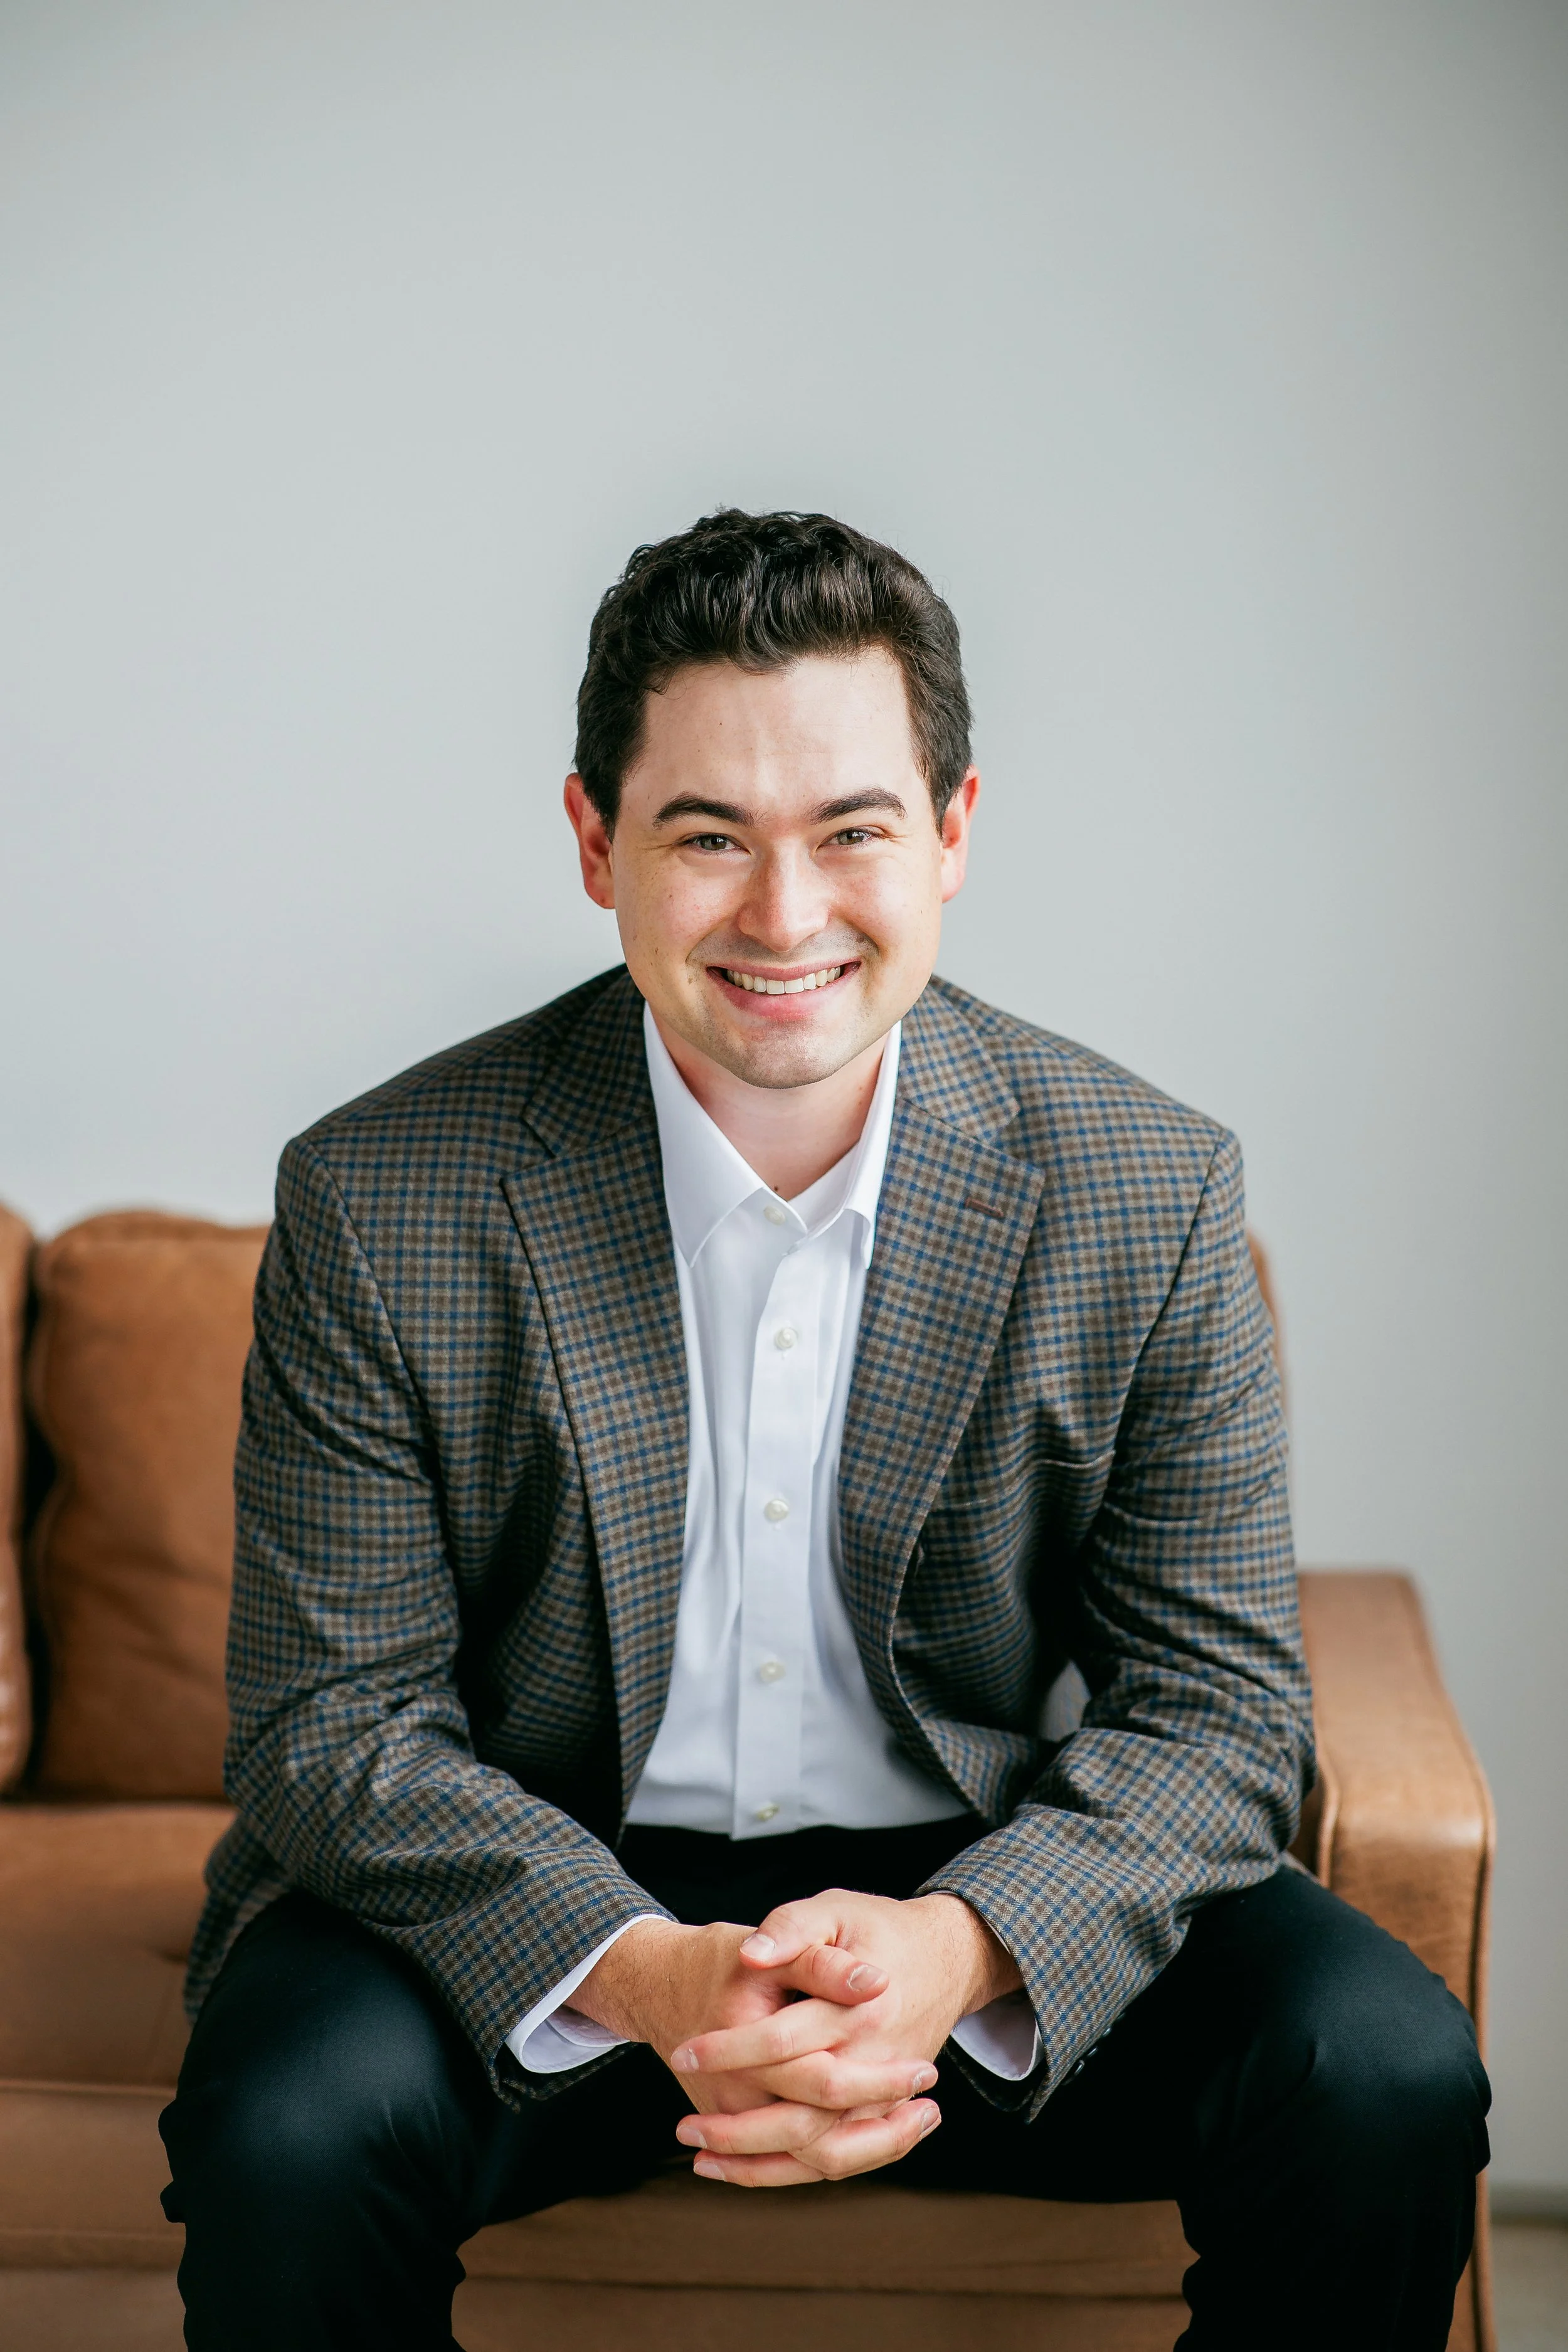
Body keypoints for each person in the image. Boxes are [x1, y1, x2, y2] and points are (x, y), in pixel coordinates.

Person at [159, 509, 1488, 2349]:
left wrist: (957, 1948)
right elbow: (332, 1727)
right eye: (707, 835)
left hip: (968, 1882)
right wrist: (649, 1968)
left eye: (851, 829)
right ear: (591, 841)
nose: (784, 918)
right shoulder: (382, 1194)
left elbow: (1219, 1719)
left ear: (949, 834)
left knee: (1384, 2066)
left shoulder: (1147, 1187)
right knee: (286, 2125)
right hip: (547, 1897)